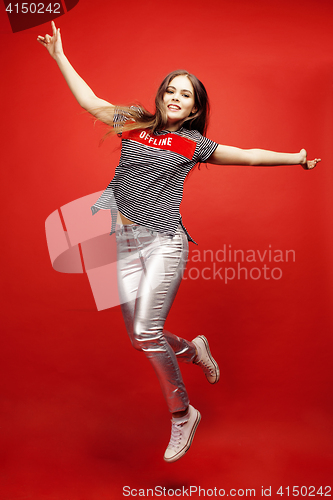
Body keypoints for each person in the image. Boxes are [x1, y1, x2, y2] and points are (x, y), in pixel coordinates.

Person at [37, 21, 321, 463]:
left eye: (186, 94)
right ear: (161, 95)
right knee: (138, 337)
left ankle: (182, 413)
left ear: (193, 109)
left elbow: (246, 156)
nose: (175, 96)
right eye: (171, 89)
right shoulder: (133, 122)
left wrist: (296, 159)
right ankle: (195, 350)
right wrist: (59, 56)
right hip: (125, 242)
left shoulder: (193, 143)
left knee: (146, 332)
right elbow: (91, 101)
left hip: (166, 244)